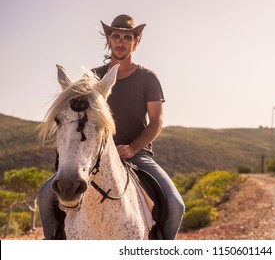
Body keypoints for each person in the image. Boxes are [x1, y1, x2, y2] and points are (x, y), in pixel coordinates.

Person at [38, 14, 185, 240]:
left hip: (136, 155)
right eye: (116, 36)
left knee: (175, 205)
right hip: (93, 155)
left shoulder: (148, 78)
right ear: (109, 39)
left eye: (128, 37)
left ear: (136, 42)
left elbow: (157, 121)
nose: (121, 41)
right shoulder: (93, 77)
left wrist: (134, 148)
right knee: (46, 197)